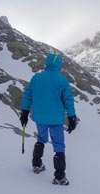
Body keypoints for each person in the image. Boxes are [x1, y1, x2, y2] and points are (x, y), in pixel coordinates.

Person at [20, 53, 76, 186]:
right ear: (59, 65)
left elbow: (28, 95)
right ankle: (60, 176)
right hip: (56, 119)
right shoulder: (62, 80)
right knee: (58, 145)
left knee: (41, 138)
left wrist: (24, 112)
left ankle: (37, 164)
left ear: (47, 63)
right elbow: (68, 100)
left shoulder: (37, 78)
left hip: (40, 117)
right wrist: (71, 117)